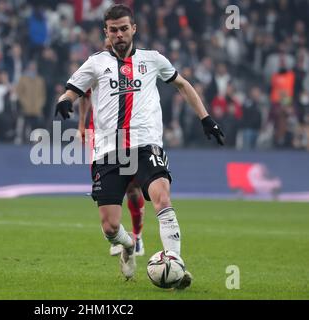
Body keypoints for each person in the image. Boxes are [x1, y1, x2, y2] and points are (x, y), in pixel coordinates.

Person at [54, 4, 224, 287]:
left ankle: (175, 264)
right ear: (105, 32)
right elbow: (73, 90)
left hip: (145, 145)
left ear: (133, 29)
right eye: (113, 30)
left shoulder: (153, 59)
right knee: (109, 228)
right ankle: (129, 244)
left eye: (123, 28)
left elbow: (182, 84)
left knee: (162, 199)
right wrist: (63, 101)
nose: (119, 34)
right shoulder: (95, 62)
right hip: (107, 150)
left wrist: (206, 118)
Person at [78, 90, 145, 257]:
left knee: (133, 189)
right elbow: (84, 93)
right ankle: (118, 236)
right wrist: (81, 124)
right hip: (101, 137)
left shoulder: (133, 66)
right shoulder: (95, 64)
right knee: (105, 188)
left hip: (128, 132)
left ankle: (137, 235)